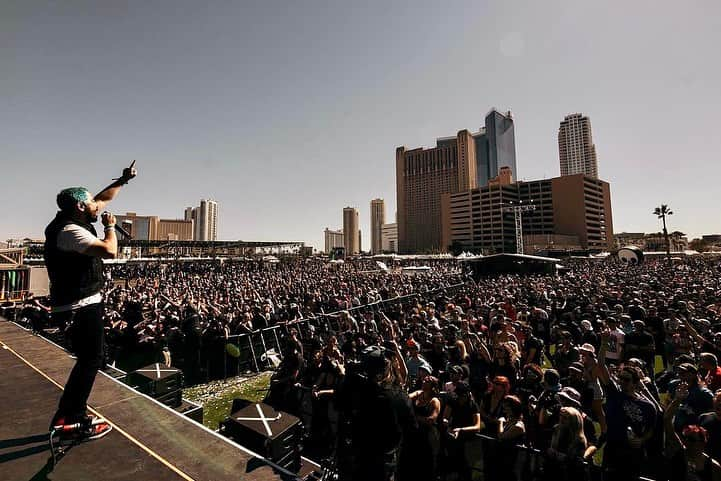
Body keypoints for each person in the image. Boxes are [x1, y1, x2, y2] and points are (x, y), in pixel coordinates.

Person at [45, 162, 136, 439]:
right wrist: (111, 228)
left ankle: (70, 411)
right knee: (90, 359)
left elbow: (104, 197)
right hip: (78, 306)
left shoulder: (76, 217)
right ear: (80, 207)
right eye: (91, 205)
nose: (99, 208)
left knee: (91, 358)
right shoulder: (70, 231)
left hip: (83, 302)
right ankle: (71, 418)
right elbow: (109, 251)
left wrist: (123, 179)